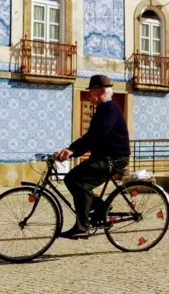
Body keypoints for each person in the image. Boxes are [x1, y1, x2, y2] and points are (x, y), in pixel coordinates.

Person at [54, 74, 130, 238]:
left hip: (114, 159)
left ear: (102, 91)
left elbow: (95, 136)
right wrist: (70, 150)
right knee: (71, 179)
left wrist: (72, 150)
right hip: (104, 157)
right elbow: (92, 136)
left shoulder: (110, 109)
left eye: (91, 91)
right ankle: (101, 208)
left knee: (77, 181)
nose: (89, 95)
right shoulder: (103, 109)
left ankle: (83, 227)